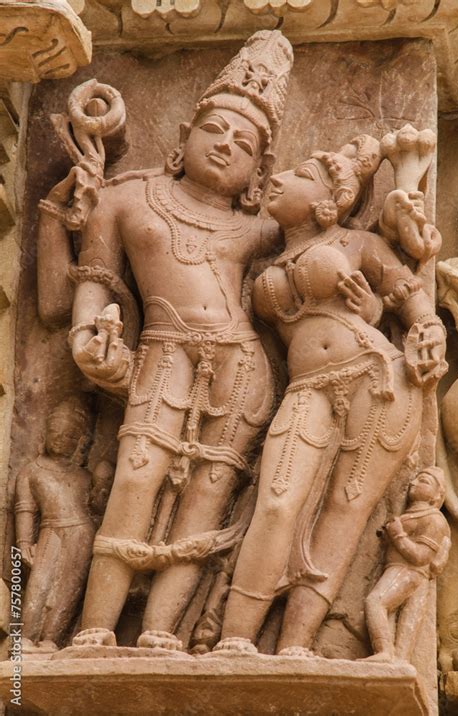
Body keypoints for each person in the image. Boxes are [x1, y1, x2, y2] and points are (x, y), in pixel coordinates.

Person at [38, 30, 294, 651]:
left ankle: (160, 633)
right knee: (136, 476)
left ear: (260, 172)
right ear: (182, 138)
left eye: (246, 144)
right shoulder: (128, 201)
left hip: (240, 370)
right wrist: (88, 341)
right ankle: (95, 629)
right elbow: (89, 289)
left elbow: (320, 225)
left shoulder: (256, 229)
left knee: (206, 493)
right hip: (161, 353)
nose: (227, 144)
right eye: (215, 129)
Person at [215, 134, 447, 655]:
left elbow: (412, 298)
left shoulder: (357, 244)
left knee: (345, 514)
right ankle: (235, 639)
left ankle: (296, 644)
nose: (276, 179)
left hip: (380, 381)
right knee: (277, 502)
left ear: (331, 200)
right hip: (308, 387)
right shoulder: (264, 259)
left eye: (297, 175)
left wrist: (426, 330)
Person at [15, 398, 95, 653]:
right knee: (39, 584)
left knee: (68, 590)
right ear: (45, 434)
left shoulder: (84, 476)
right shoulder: (31, 471)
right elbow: (25, 509)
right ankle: (26, 637)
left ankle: (51, 639)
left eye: (69, 436)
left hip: (82, 532)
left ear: (79, 441)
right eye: (55, 433)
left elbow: (97, 508)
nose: (61, 439)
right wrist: (24, 542)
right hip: (50, 530)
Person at [364, 467, 450, 663]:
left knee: (376, 602)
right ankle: (397, 660)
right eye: (415, 480)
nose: (413, 483)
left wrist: (397, 535)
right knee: (398, 623)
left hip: (408, 571)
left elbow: (421, 556)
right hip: (398, 569)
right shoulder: (412, 515)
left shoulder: (433, 519)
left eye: (424, 481)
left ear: (437, 495)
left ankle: (384, 652)